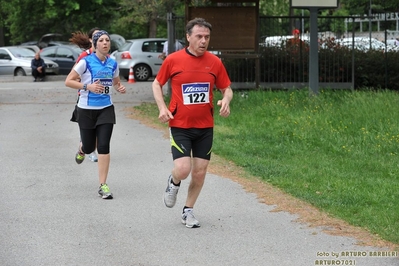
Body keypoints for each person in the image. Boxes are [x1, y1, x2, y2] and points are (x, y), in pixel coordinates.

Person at [152, 17, 233, 228]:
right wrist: (162, 107)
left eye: (206, 37)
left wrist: (226, 99)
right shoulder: (173, 60)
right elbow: (157, 84)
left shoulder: (215, 62)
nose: (203, 40)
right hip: (180, 124)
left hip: (205, 126)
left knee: (200, 171)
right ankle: (174, 181)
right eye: (199, 36)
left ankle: (188, 210)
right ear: (188, 37)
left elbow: (226, 88)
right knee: (183, 168)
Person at [65, 30, 126, 199]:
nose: (106, 43)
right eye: (102, 41)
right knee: (90, 146)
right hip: (86, 109)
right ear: (95, 44)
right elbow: (68, 81)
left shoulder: (113, 63)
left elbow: (116, 82)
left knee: (104, 146)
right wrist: (87, 87)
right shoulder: (85, 62)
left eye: (108, 40)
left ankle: (103, 185)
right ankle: (82, 149)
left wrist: (119, 88)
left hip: (106, 109)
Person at [69, 27, 101, 162]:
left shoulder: (107, 57)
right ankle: (86, 150)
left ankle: (90, 148)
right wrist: (87, 85)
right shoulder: (84, 56)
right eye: (96, 36)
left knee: (101, 129)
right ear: (90, 40)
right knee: (88, 129)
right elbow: (72, 77)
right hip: (85, 98)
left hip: (102, 99)